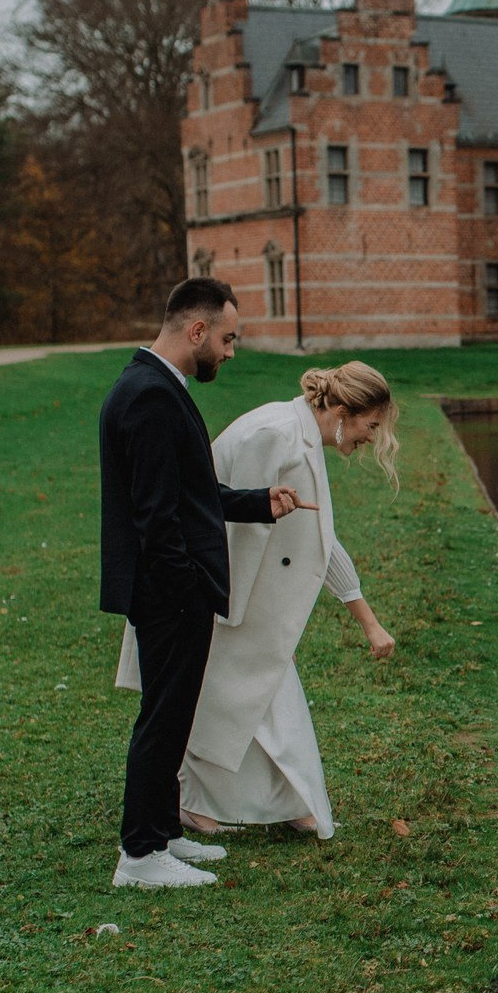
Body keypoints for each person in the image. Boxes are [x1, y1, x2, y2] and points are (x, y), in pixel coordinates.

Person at [117, 362, 399, 838]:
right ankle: (214, 803)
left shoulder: (301, 437)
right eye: (370, 426)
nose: (370, 438)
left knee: (246, 700)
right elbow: (224, 525)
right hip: (207, 591)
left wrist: (367, 620)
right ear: (342, 412)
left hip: (231, 598)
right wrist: (234, 616)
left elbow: (321, 540)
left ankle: (269, 802)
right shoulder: (276, 435)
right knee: (232, 698)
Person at [96, 278, 299, 889]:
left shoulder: (157, 387)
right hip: (169, 591)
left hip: (172, 587)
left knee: (175, 714)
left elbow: (192, 493)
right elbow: (157, 516)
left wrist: (259, 502)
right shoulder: (150, 397)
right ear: (196, 331)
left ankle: (163, 833)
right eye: (228, 338)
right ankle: (139, 855)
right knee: (162, 719)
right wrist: (188, 586)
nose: (231, 352)